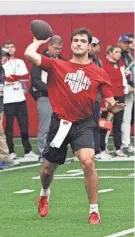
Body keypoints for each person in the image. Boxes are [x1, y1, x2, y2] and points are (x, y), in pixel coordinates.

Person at [24, 28, 125, 224]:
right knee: (47, 170)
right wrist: (38, 40)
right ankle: (44, 194)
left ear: (89, 46)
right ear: (71, 45)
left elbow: (110, 100)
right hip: (60, 123)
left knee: (88, 161)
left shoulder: (99, 72)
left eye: (82, 41)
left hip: (84, 123)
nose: (78, 43)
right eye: (75, 40)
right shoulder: (56, 65)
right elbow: (29, 55)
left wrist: (114, 107)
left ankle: (94, 210)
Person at [2, 40, 38, 161]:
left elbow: (26, 77)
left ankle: (27, 150)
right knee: (9, 127)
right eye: (7, 48)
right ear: (3, 50)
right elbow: (5, 79)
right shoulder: (2, 63)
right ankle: (11, 151)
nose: (10, 49)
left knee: (24, 126)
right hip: (7, 100)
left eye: (12, 47)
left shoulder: (20, 62)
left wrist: (14, 78)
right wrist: (15, 78)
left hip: (20, 98)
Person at [30, 35, 64, 159]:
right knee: (46, 126)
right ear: (49, 46)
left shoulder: (62, 60)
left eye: (60, 48)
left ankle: (56, 154)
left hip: (59, 98)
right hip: (45, 96)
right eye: (56, 48)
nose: (58, 51)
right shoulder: (39, 59)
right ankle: (44, 154)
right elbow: (35, 81)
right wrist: (52, 89)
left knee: (59, 126)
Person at [0, 47, 20, 166]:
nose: (5, 58)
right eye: (3, 56)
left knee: (0, 132)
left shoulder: (2, 69)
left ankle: (4, 156)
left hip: (0, 104)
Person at [118, 35, 135, 154]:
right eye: (124, 42)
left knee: (128, 118)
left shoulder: (128, 55)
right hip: (123, 88)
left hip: (130, 88)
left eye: (128, 43)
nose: (127, 44)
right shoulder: (119, 55)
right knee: (121, 119)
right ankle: (122, 144)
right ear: (119, 42)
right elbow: (122, 72)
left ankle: (126, 143)